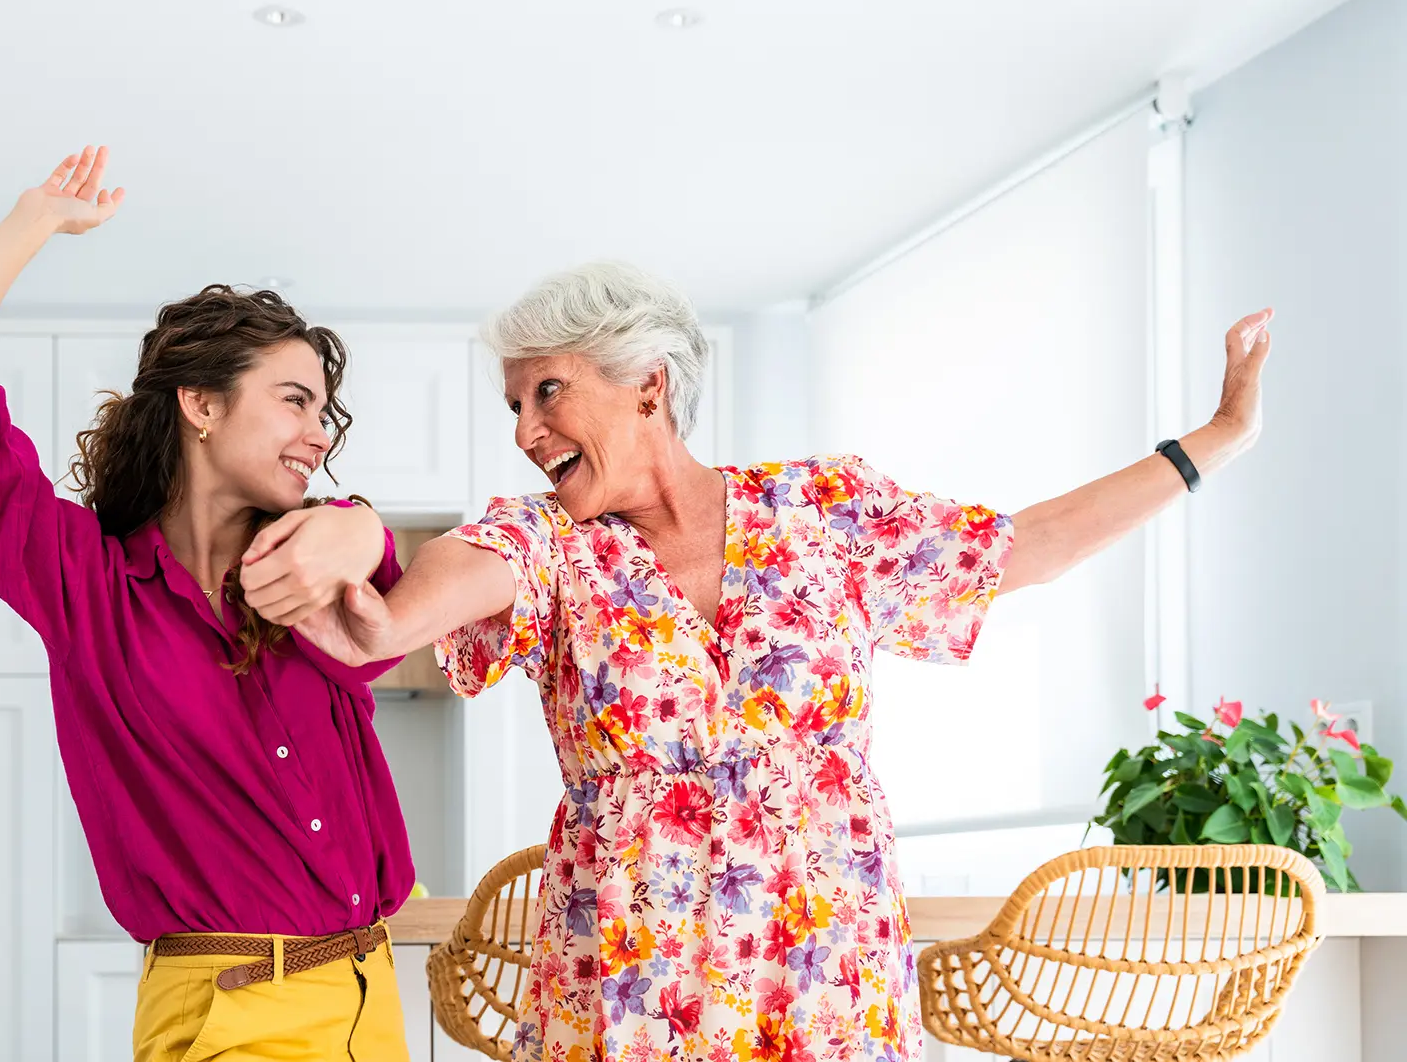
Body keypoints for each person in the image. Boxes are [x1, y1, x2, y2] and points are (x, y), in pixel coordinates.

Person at [291, 261, 1272, 1061]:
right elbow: (451, 576)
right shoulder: (548, 542)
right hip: (633, 980)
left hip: (822, 967)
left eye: (547, 391)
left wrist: (1215, 440)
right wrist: (374, 605)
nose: (524, 431)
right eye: (514, 405)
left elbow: (1023, 546)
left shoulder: (825, 511)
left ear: (648, 384)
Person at [0, 145, 414, 1062]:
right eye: (294, 401)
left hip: (371, 995)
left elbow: (397, 633)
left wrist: (367, 530)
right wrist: (34, 222)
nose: (316, 435)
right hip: (230, 1003)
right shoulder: (84, 585)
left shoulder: (311, 564)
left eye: (324, 413)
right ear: (201, 405)